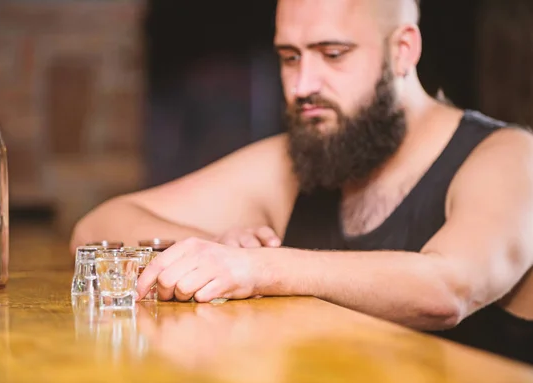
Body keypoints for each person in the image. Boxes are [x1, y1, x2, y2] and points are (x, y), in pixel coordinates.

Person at [71, 0, 533, 364]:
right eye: (289, 58)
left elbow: (447, 289)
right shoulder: (294, 161)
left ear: (403, 50)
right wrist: (216, 252)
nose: (302, 84)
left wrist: (257, 270)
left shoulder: (509, 157)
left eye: (333, 54)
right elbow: (95, 229)